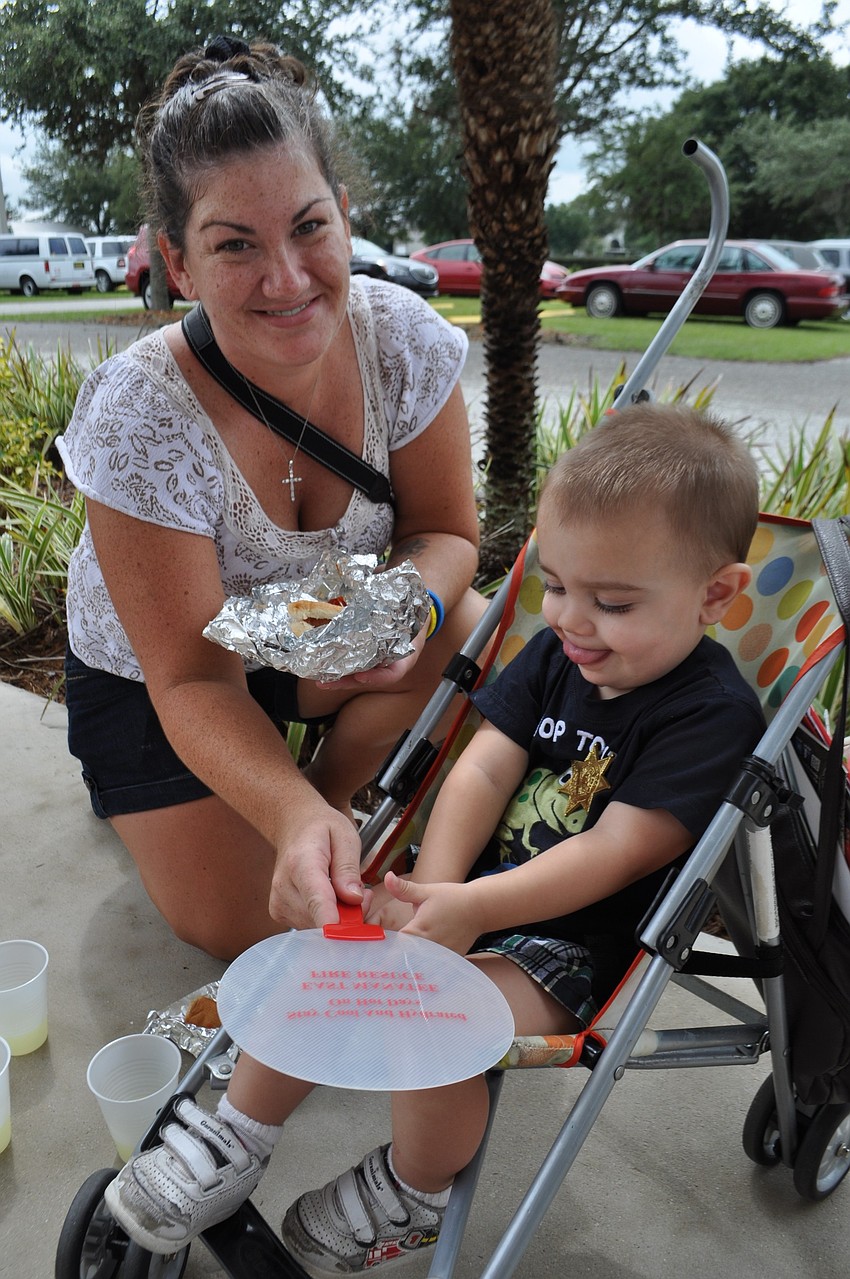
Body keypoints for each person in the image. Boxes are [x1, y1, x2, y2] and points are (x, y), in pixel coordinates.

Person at [103, 402, 766, 1273]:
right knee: (323, 949)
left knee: (435, 1023)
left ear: (716, 595)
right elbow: (485, 767)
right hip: (466, 898)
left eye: (611, 602)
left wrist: (469, 911)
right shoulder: (560, 653)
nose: (571, 620)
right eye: (556, 585)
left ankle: (413, 1190)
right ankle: (235, 1132)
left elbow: (618, 851)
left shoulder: (708, 714)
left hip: (568, 946)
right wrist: (437, 890)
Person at [56, 36, 487, 960]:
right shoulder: (139, 413)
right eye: (234, 245)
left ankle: (325, 794)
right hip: (160, 678)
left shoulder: (401, 339)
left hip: (300, 629)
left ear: (343, 213)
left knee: (471, 630)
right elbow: (191, 675)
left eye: (308, 228)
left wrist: (400, 608)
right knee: (249, 930)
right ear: (179, 266)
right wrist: (282, 814)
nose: (286, 279)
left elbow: (448, 531)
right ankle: (276, 809)